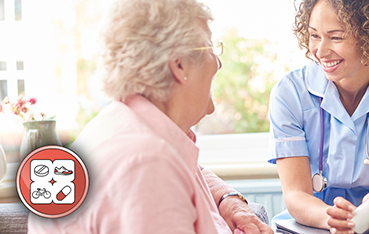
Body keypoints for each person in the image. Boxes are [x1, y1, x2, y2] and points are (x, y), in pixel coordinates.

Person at [27, 0, 272, 233]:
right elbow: (153, 174)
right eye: (210, 48)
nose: (218, 64)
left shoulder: (127, 123)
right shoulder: (146, 163)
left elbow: (188, 170)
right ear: (179, 65)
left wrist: (226, 197)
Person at [268, 0, 369, 233]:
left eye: (336, 37)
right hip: (312, 220)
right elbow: (296, 194)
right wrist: (332, 219)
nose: (320, 51)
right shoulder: (290, 92)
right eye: (314, 35)